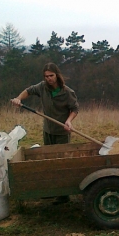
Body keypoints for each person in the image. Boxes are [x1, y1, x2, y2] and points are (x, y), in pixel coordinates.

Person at [11, 63, 79, 203]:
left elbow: (74, 109)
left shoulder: (67, 92)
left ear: (57, 75)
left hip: (62, 131)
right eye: (46, 76)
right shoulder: (42, 87)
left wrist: (69, 121)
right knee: (48, 161)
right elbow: (28, 90)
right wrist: (19, 99)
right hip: (48, 130)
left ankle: (64, 194)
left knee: (61, 162)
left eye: (51, 76)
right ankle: (51, 189)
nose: (49, 79)